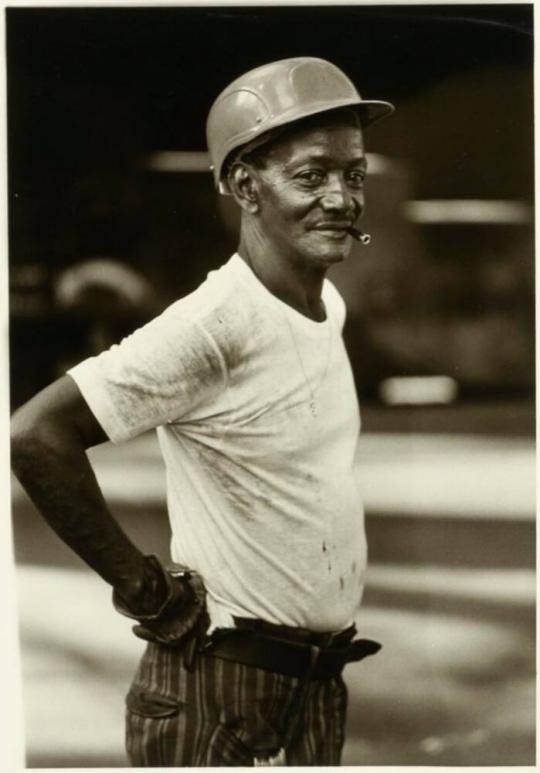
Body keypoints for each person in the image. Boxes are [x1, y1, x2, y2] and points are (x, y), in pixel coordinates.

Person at [11, 57, 394, 766]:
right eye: (311, 175)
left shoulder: (324, 304)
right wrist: (142, 589)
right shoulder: (215, 326)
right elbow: (36, 435)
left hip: (311, 687)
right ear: (246, 186)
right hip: (220, 695)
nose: (341, 197)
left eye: (355, 173)